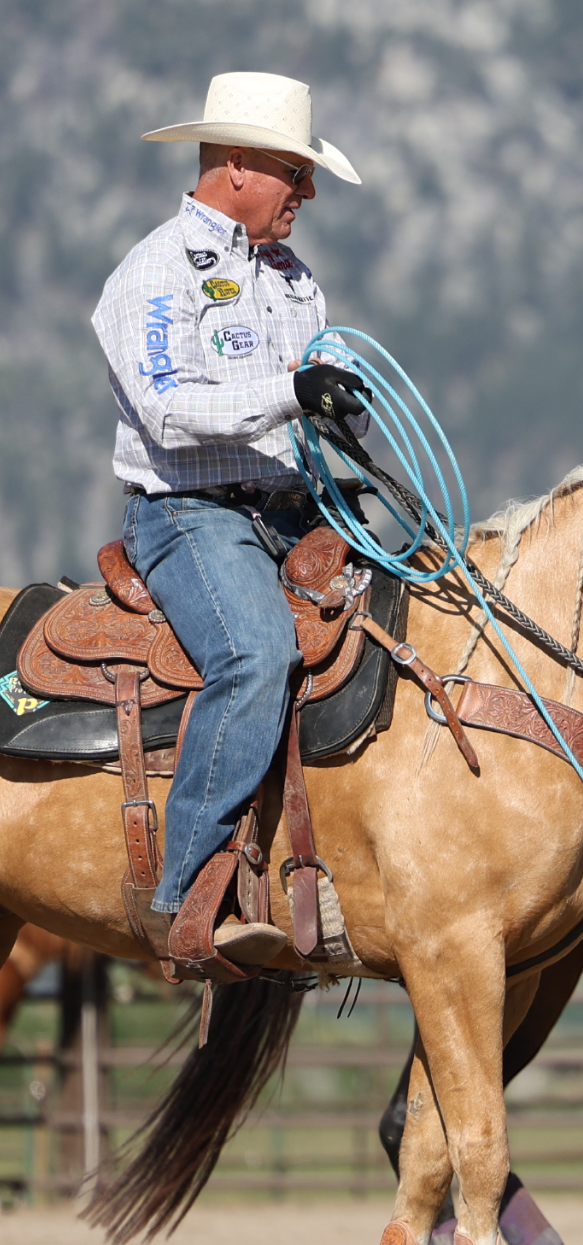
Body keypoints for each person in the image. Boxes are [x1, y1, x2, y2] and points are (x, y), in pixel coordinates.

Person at [91, 73, 378, 969]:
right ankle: (190, 894)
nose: (309, 191)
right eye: (297, 172)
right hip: (188, 514)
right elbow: (166, 412)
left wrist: (338, 411)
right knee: (255, 653)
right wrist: (290, 391)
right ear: (242, 167)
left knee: (413, 621)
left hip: (292, 505)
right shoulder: (151, 273)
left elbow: (310, 403)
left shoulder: (298, 284)